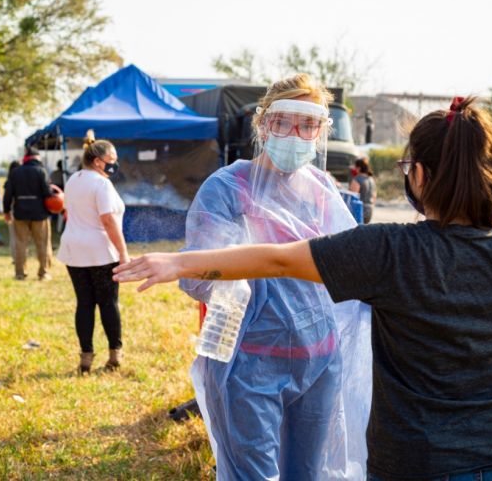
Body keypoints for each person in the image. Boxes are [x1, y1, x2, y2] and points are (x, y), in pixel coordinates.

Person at [114, 97, 492, 481]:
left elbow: (278, 259)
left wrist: (177, 260)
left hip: (413, 462)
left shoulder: (388, 251)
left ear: (418, 174)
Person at [140, 75, 371, 479]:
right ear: (263, 125)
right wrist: (231, 277)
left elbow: (348, 263)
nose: (296, 134)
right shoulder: (228, 187)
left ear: (321, 132)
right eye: (284, 121)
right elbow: (198, 273)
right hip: (250, 364)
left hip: (319, 360)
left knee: (308, 473)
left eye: (308, 125)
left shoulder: (320, 189)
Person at [57, 133, 128, 373]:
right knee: (108, 303)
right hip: (99, 251)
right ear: (98, 161)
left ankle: (85, 358)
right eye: (112, 158)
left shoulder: (73, 179)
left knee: (84, 304)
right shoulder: (101, 183)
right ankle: (114, 355)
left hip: (73, 250)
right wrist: (123, 253)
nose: (114, 163)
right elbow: (108, 220)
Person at [3, 147, 52, 280]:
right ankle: (44, 273)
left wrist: (6, 211)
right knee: (42, 243)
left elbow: (8, 195)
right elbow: (47, 193)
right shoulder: (41, 171)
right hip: (39, 214)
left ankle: (20, 274)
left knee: (20, 244)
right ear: (37, 158)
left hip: (20, 213)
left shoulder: (15, 172)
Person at [349, 157, 376, 223]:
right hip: (370, 210)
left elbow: (353, 197)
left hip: (360, 210)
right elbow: (374, 196)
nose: (354, 169)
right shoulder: (371, 179)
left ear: (359, 168)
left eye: (355, 167)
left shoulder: (357, 179)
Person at [4, 160, 21, 262]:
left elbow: (6, 198)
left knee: (13, 236)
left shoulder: (8, 181)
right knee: (22, 238)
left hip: (12, 211)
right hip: (20, 210)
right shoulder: (22, 181)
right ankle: (21, 258)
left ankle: (15, 258)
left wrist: (6, 211)